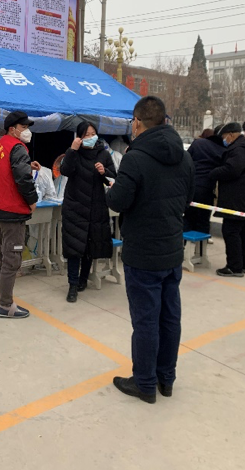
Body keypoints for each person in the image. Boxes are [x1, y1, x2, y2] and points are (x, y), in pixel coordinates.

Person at [106, 96, 194, 403]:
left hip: (143, 253)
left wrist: (112, 190)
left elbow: (118, 202)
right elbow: (188, 199)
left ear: (138, 122)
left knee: (145, 320)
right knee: (169, 318)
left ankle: (144, 382)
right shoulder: (184, 156)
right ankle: (166, 379)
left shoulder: (135, 158)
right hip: (172, 249)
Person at [0, 110, 39, 318]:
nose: (27, 131)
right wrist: (32, 200)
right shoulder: (18, 148)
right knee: (12, 258)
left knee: (0, 254)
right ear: (12, 129)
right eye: (23, 127)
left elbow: (6, 169)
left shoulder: (0, 145)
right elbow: (23, 179)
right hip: (11, 210)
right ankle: (6, 305)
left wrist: (26, 165)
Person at [60, 121, 116, 302]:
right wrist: (72, 150)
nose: (90, 137)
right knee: (74, 247)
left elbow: (112, 179)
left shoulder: (103, 154)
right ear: (79, 137)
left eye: (93, 134)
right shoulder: (74, 152)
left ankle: (83, 279)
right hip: (75, 207)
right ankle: (72, 284)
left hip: (95, 206)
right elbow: (65, 170)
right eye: (86, 135)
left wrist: (104, 172)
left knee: (89, 246)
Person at [209, 122, 245, 277]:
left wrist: (214, 172)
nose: (224, 140)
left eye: (224, 137)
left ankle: (234, 267)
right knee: (240, 232)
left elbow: (232, 169)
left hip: (235, 198)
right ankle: (241, 264)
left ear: (231, 134)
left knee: (231, 231)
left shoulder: (238, 149)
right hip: (240, 198)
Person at [183, 128, 225, 235]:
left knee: (187, 218)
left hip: (190, 185)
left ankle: (183, 242)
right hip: (207, 188)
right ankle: (201, 243)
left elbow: (186, 160)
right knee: (203, 220)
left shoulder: (198, 143)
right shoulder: (223, 150)